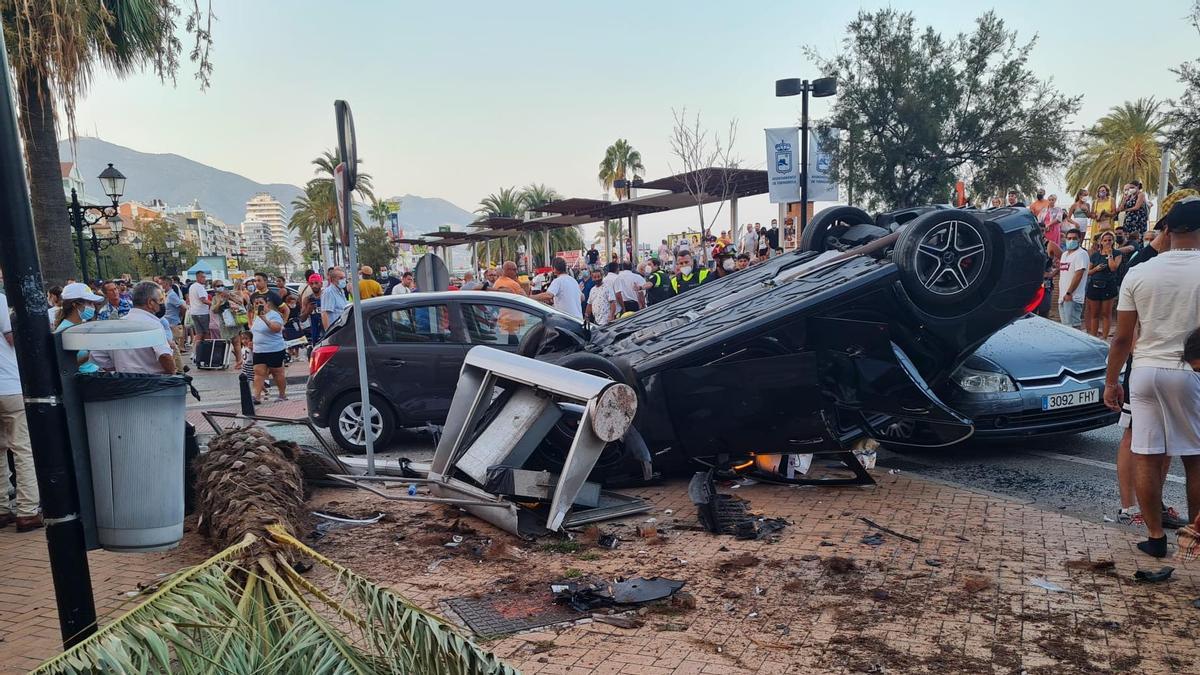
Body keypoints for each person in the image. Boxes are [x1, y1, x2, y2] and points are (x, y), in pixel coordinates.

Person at [1103, 197, 1200, 557]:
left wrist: (1111, 382)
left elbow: (1123, 338)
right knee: (1195, 459)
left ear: (1170, 231)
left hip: (1143, 371)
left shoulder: (1140, 271)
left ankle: (1156, 537)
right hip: (1189, 372)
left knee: (1145, 453)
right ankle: (1195, 537)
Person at [0, 291, 40, 532]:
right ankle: (27, 511)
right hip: (9, 384)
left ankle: (2, 508)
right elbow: (13, 337)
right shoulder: (2, 299)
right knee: (22, 448)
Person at [93, 281, 176, 375]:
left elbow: (97, 354)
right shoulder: (152, 325)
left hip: (125, 383)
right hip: (153, 383)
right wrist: (172, 373)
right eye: (160, 300)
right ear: (150, 303)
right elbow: (164, 355)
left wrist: (118, 370)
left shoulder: (116, 325)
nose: (161, 304)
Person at [248, 291, 288, 402]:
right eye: (256, 303)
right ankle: (256, 396)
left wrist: (265, 319)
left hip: (274, 349)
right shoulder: (255, 317)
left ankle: (282, 394)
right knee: (258, 372)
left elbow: (276, 329)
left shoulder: (274, 315)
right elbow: (255, 331)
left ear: (267, 304)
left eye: (260, 302)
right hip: (259, 350)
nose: (258, 305)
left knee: (277, 372)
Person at [1083, 232, 1122, 339]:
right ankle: (1093, 336)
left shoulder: (1117, 254)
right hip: (1095, 285)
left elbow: (1114, 268)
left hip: (1108, 285)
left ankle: (1104, 337)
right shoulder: (1095, 255)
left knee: (1106, 313)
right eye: (1105, 240)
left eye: (1109, 240)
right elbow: (1088, 272)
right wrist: (1096, 269)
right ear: (1101, 242)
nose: (1107, 242)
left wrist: (1110, 255)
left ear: (1113, 241)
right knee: (1094, 314)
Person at [1056, 228, 1090, 329]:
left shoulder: (1081, 254)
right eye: (1069, 238)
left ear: (1079, 239)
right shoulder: (1064, 255)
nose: (1071, 240)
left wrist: (1069, 293)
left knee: (1073, 327)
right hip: (1063, 297)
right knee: (1066, 326)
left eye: (1074, 238)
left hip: (1073, 297)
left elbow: (1079, 274)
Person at [320, 267, 349, 331]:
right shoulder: (329, 292)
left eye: (344, 278)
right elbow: (324, 314)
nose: (343, 280)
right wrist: (328, 333)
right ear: (333, 279)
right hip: (334, 330)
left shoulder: (341, 291)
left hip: (342, 328)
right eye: (341, 278)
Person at [301, 273, 324, 349]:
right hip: (315, 334)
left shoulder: (326, 296)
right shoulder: (307, 299)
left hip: (329, 331)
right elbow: (302, 319)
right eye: (311, 283)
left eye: (316, 283)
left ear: (321, 284)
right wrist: (308, 311)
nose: (314, 286)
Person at [187, 272, 211, 340]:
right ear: (197, 277)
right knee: (207, 332)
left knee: (199, 333)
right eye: (202, 277)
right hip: (202, 313)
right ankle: (207, 348)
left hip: (194, 313)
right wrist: (214, 304)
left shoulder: (192, 286)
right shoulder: (199, 287)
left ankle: (196, 349)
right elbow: (203, 300)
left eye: (205, 277)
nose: (204, 279)